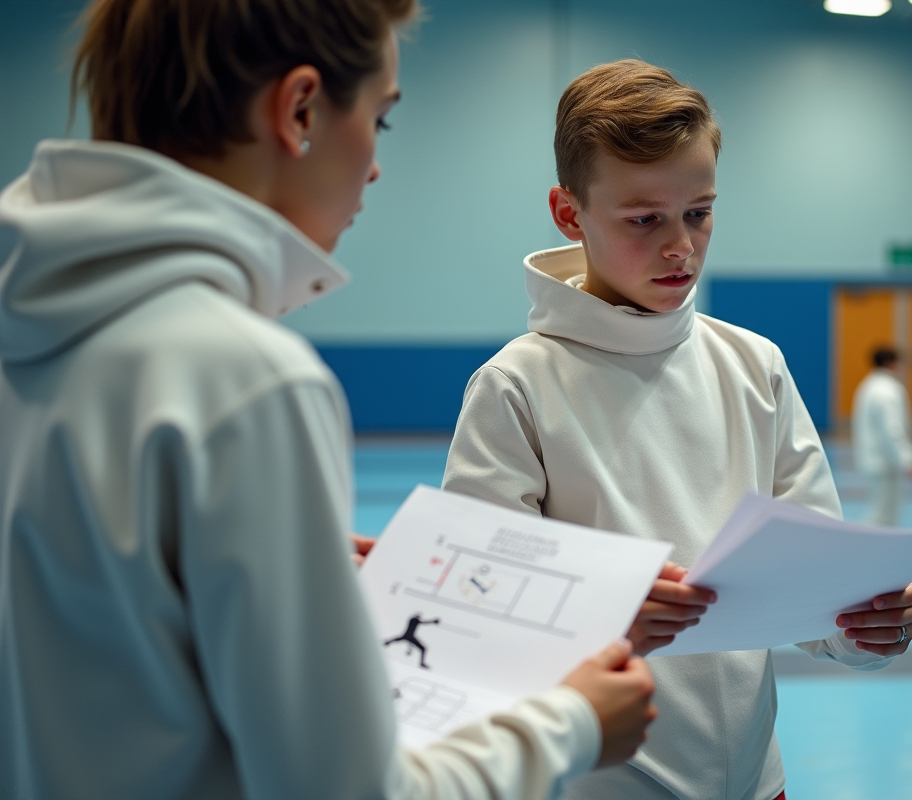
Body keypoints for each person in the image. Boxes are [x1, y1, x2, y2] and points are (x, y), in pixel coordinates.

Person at [0, 2, 658, 799]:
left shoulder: (31, 332)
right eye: (380, 119)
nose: (375, 167)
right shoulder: (244, 380)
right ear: (301, 110)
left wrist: (273, 564)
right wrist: (572, 723)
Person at [442, 60, 912, 800]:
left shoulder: (756, 366)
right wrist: (604, 613)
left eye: (699, 212)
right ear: (569, 213)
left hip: (759, 782)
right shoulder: (516, 387)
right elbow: (478, 617)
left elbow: (814, 586)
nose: (681, 246)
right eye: (645, 219)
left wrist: (863, 626)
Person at [851, 347, 912, 526]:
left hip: (873, 460)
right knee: (883, 516)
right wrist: (908, 460)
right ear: (891, 363)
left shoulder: (869, 385)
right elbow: (892, 429)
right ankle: (862, 541)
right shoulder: (888, 390)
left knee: (882, 513)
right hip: (884, 463)